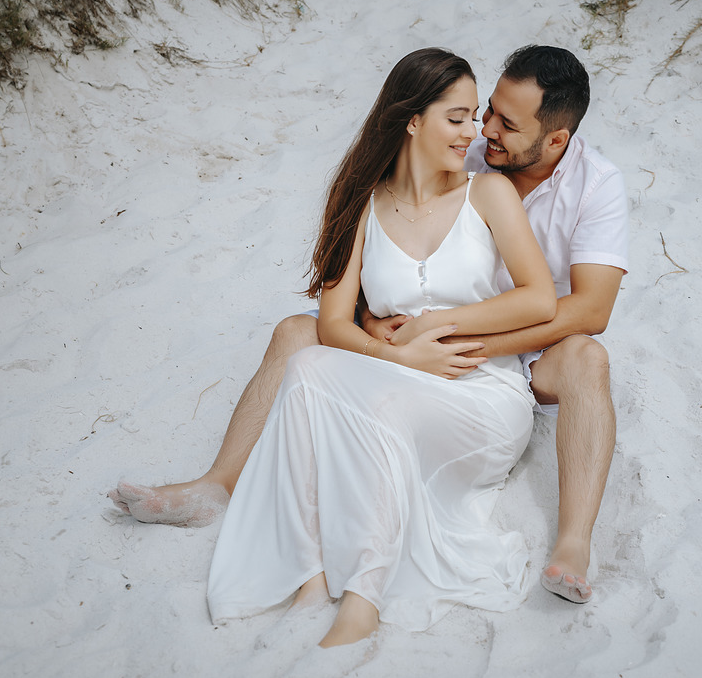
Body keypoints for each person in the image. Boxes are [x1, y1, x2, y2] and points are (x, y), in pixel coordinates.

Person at [110, 45, 629, 605]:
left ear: (555, 140)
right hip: (418, 329)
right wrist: (371, 323)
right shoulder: (462, 146)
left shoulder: (595, 185)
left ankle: (573, 543)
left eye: (506, 122)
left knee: (588, 360)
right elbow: (383, 253)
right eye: (486, 112)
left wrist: (453, 338)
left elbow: (589, 310)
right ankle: (218, 484)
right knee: (294, 332)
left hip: (527, 341)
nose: (484, 129)